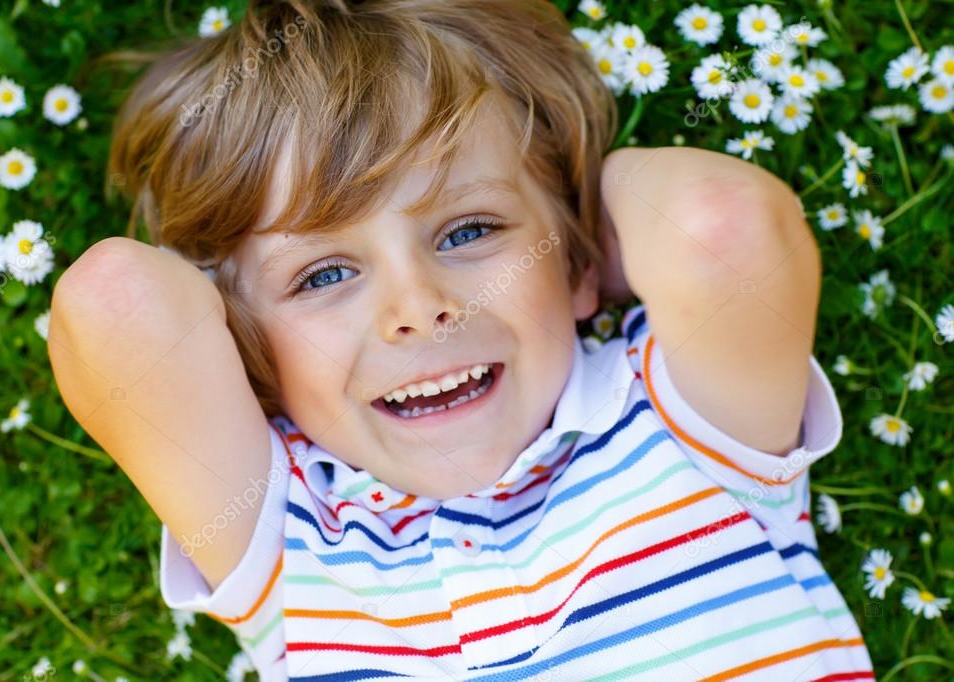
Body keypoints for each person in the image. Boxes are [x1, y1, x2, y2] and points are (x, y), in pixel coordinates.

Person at [47, 0, 875, 678]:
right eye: (324, 276)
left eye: (468, 231)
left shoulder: (679, 427)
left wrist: (583, 227)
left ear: (580, 254)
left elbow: (720, 226)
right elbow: (115, 306)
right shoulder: (282, 531)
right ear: (242, 350)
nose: (418, 307)